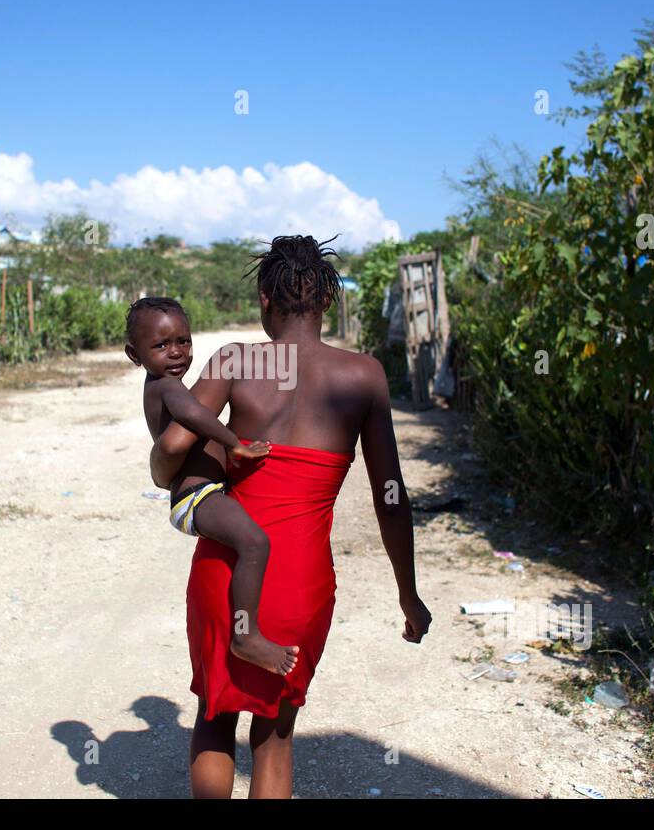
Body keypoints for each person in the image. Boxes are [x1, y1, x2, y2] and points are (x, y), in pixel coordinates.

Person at [150, 235, 432, 799]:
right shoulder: (366, 376)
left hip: (227, 573)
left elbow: (169, 459)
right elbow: (391, 494)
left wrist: (170, 464)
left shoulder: (235, 360)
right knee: (275, 739)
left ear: (263, 297)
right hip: (300, 582)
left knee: (214, 716)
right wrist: (409, 593)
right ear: (327, 300)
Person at [126, 296, 299, 676]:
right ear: (133, 355)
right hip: (197, 496)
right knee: (254, 541)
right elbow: (193, 415)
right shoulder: (166, 387)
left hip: (202, 494)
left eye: (183, 342)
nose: (175, 353)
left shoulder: (169, 384)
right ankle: (245, 635)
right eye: (160, 346)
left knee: (251, 542)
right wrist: (235, 443)